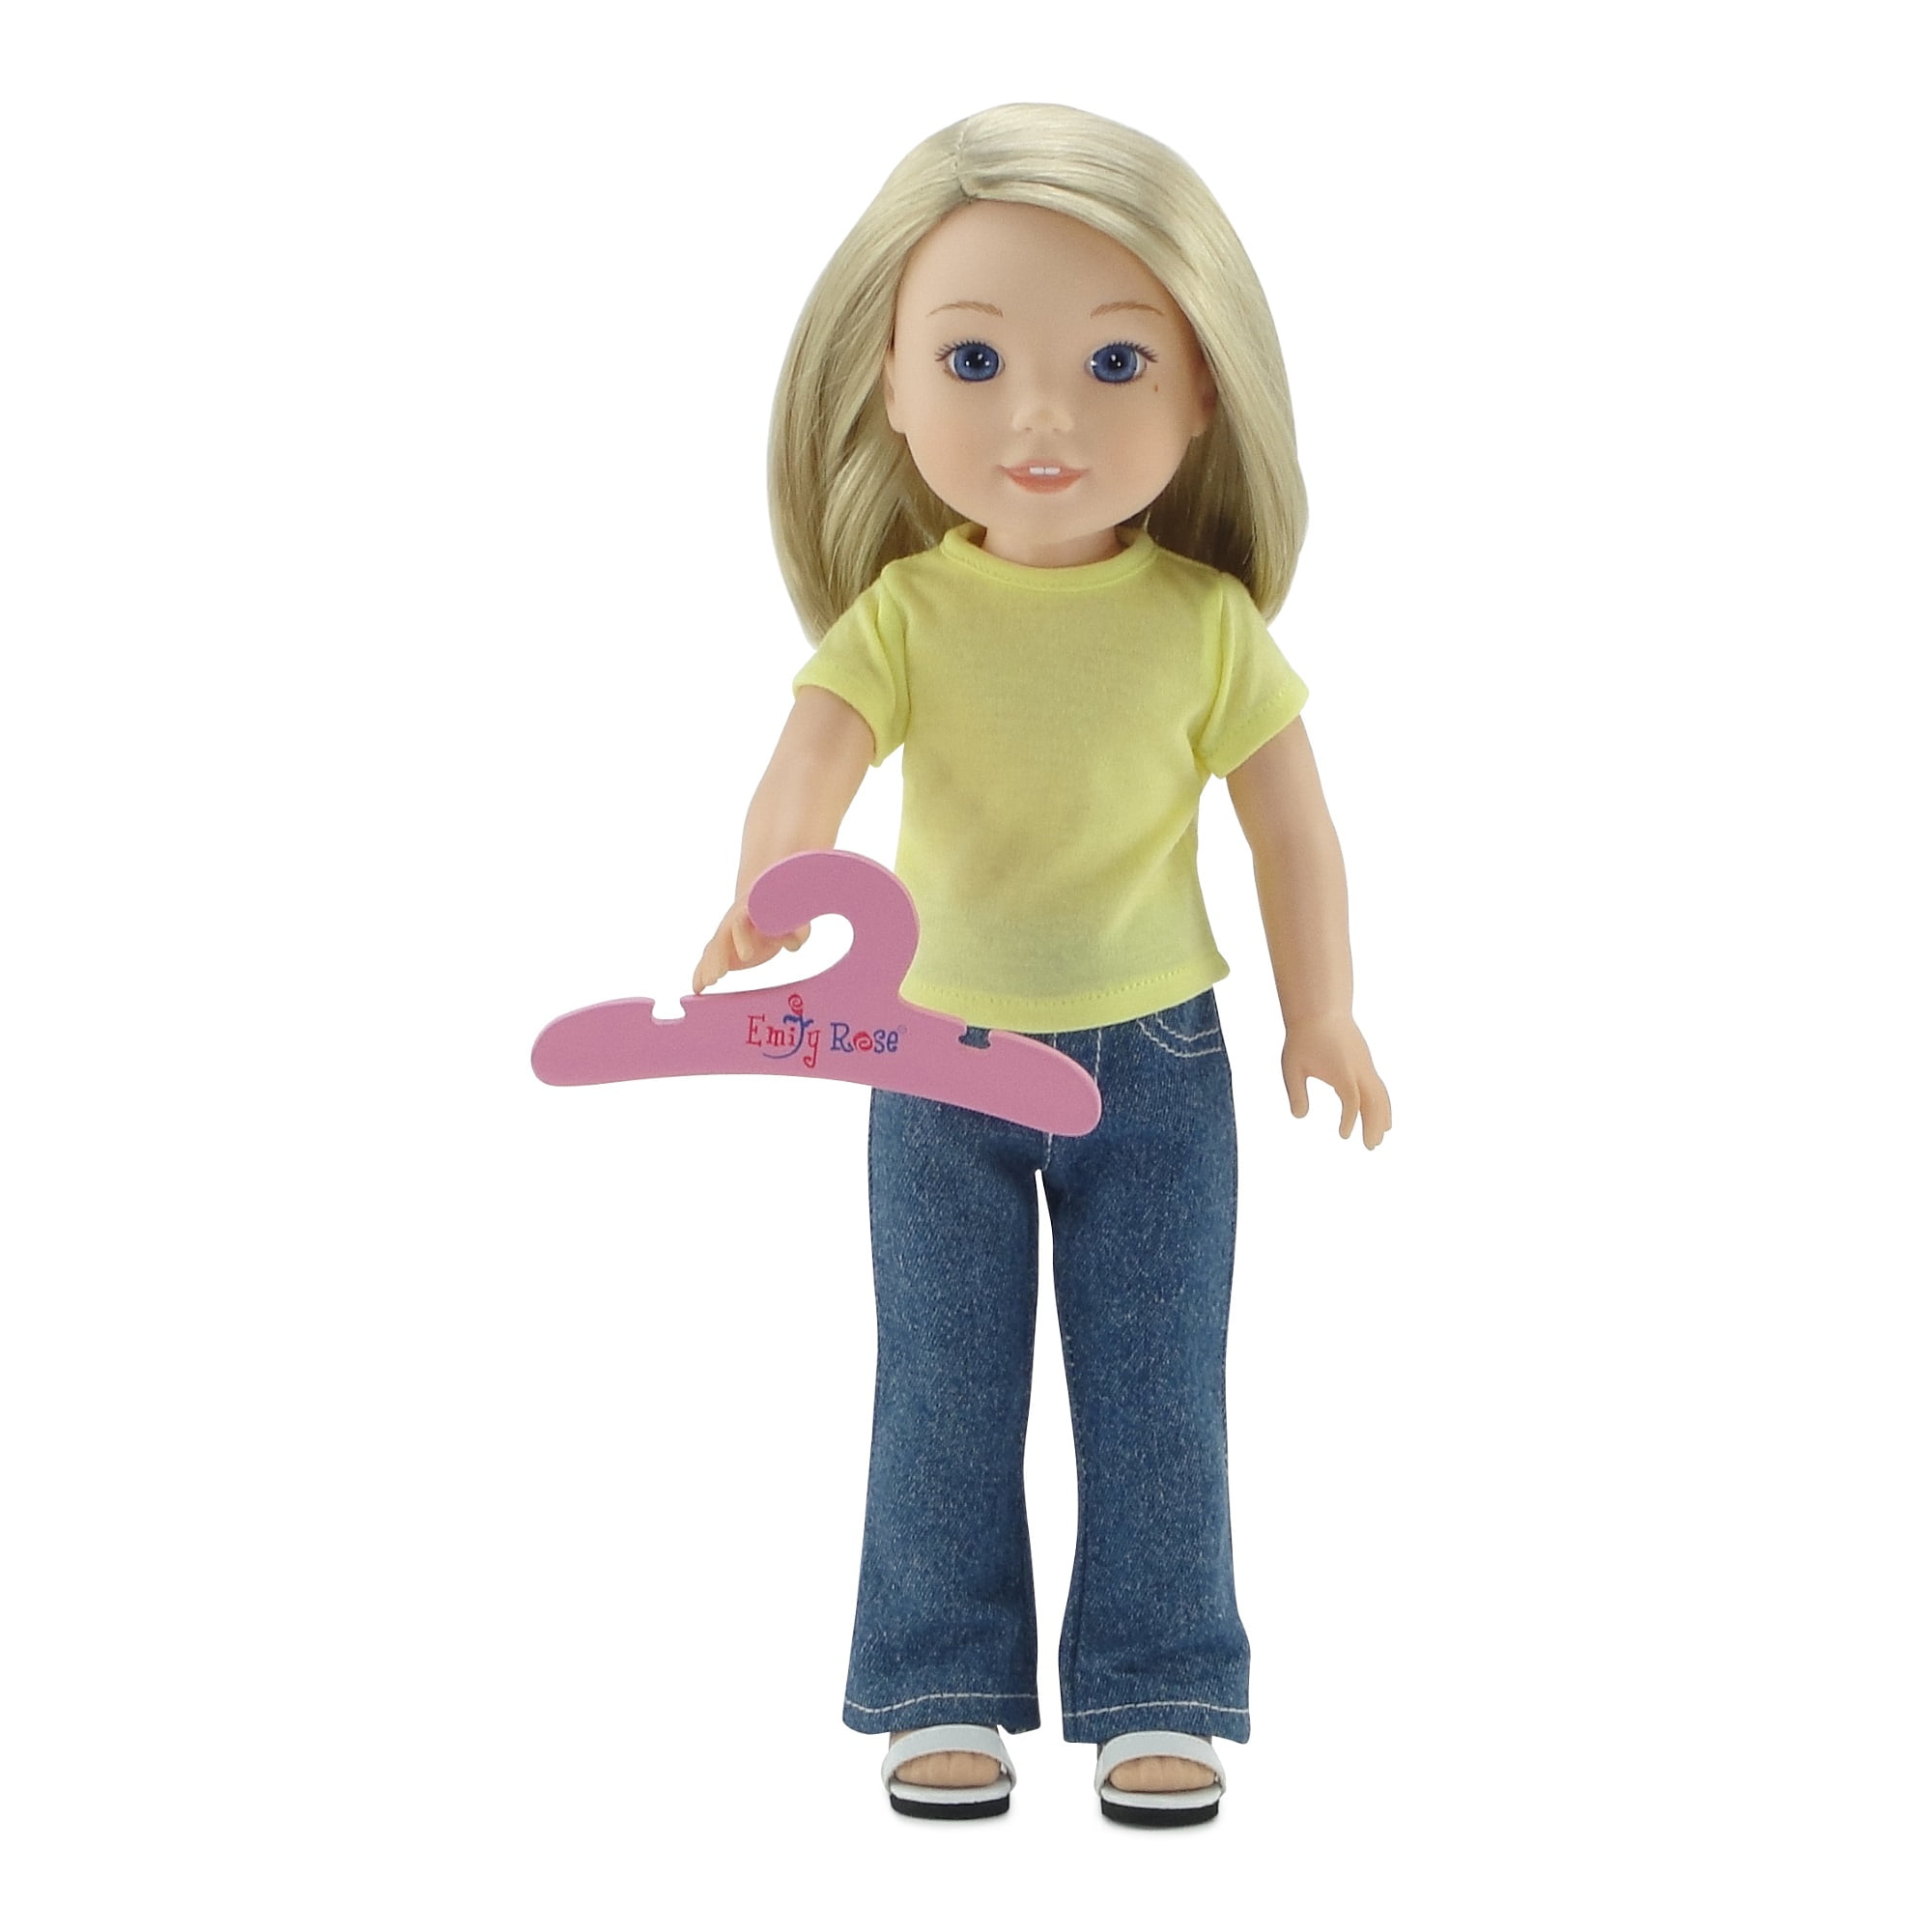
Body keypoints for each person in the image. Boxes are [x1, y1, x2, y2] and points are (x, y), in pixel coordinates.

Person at [693, 103, 1391, 1826]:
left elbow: (1295, 833)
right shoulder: (912, 615)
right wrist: (771, 891)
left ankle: (1161, 1686)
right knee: (943, 1381)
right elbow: (813, 754)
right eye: (976, 360)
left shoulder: (1204, 626)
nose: (1043, 419)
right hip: (938, 1058)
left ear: (1206, 387)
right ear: (888, 382)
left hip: (1158, 1060)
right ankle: (939, 1682)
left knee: (1158, 1384)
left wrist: (1323, 1010)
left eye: (1115, 362)